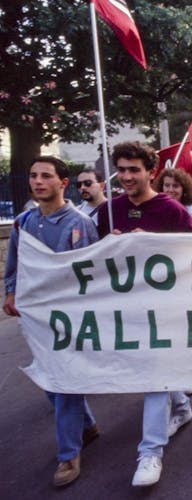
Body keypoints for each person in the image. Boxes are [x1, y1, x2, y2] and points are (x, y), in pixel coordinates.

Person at [97, 141, 192, 487]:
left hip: (166, 306)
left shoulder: (171, 209)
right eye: (121, 170)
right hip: (129, 308)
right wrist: (107, 245)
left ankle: (151, 450)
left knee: (153, 372)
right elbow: (95, 264)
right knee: (146, 366)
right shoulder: (107, 211)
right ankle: (182, 405)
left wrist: (157, 243)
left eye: (133, 170)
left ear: (150, 171)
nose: (126, 177)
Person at [3, 156, 100, 487]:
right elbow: (14, 263)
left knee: (63, 381)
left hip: (70, 318)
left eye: (46, 176)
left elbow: (93, 273)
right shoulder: (22, 223)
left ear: (62, 182)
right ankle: (87, 425)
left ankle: (68, 454)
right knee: (49, 380)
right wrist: (11, 292)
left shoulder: (79, 224)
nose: (37, 181)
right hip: (37, 319)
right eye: (32, 176)